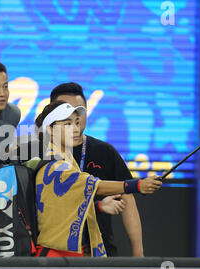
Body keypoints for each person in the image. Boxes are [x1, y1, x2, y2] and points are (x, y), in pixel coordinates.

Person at [33, 101, 162, 257]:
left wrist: (98, 206)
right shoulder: (55, 165)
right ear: (50, 130)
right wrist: (138, 185)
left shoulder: (65, 160)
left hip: (65, 256)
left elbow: (62, 209)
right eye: (67, 124)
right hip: (56, 257)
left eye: (76, 122)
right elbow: (96, 185)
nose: (75, 129)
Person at [50, 82, 144, 257]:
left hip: (100, 252)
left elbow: (127, 199)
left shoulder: (105, 152)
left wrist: (138, 252)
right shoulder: (37, 153)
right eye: (65, 112)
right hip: (52, 254)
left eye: (79, 110)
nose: (74, 117)